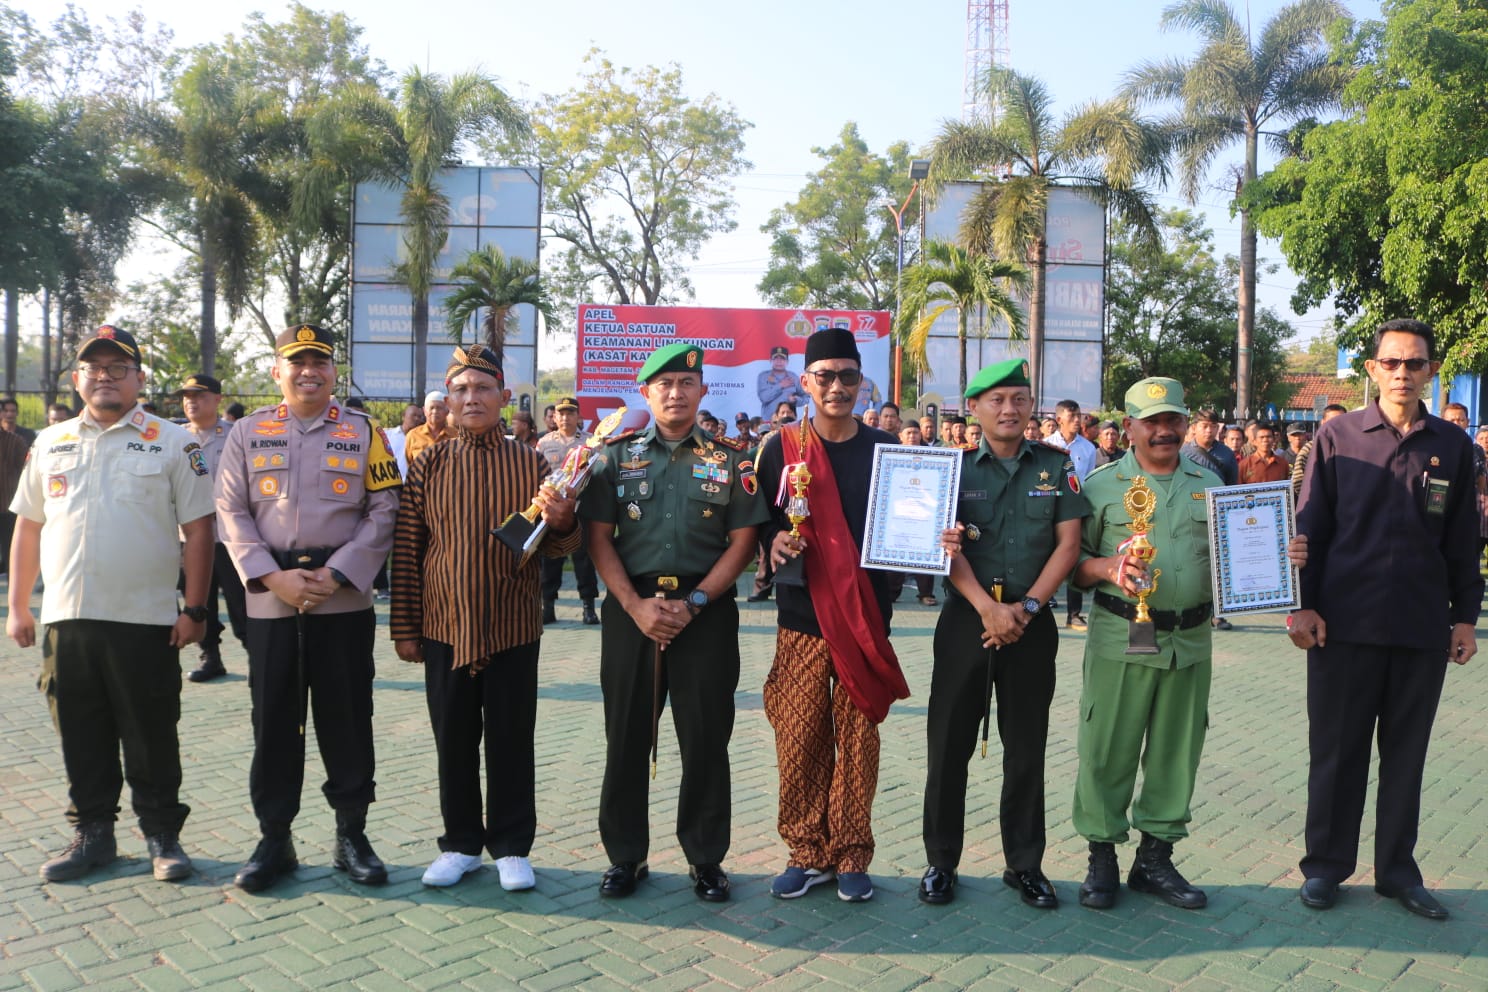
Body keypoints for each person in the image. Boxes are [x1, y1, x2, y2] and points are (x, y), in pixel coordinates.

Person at [1069, 377, 1305, 911]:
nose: (1164, 431)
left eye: (1173, 420)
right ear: (1128, 427)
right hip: (1123, 634)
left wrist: (1278, 556)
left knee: (1177, 751)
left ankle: (1155, 858)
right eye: (1151, 422)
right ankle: (1102, 854)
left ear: (1186, 423)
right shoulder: (1101, 487)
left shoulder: (1211, 483)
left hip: (1191, 638)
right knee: (1107, 747)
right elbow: (1073, 566)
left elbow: (1238, 554)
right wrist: (1107, 567)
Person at [7, 325, 215, 883]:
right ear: (77, 380)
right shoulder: (50, 442)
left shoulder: (174, 441)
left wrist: (195, 609)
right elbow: (29, 526)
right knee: (80, 734)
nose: (105, 377)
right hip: (67, 619)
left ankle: (162, 836)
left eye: (118, 368)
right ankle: (93, 835)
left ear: (139, 379)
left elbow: (199, 530)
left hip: (144, 621)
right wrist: (19, 606)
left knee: (151, 734)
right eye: (94, 368)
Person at [1289, 318, 1479, 921]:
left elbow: (1463, 541)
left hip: (1421, 629)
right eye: (1391, 362)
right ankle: (1325, 867)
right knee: (1337, 753)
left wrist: (1465, 618)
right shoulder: (1337, 437)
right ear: (1371, 369)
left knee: (1406, 757)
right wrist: (1302, 604)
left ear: (1431, 371)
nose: (1402, 373)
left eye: (1414, 363)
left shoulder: (1453, 447)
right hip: (1341, 627)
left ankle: (1397, 872)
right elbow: (1310, 529)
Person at [216, 323, 401, 893]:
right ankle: (275, 838)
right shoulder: (246, 432)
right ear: (278, 371)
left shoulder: (364, 431)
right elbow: (229, 509)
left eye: (319, 362)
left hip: (341, 598)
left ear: (333, 372)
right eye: (297, 362)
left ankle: (351, 834)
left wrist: (338, 572)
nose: (308, 372)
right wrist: (272, 576)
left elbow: (385, 508)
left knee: (348, 718)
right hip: (272, 598)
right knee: (274, 720)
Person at [580, 342, 765, 903]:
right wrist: (635, 606)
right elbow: (597, 539)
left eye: (687, 383)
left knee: (705, 737)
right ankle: (625, 856)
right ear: (646, 392)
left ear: (703, 390)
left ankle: (706, 858)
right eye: (664, 384)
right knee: (626, 735)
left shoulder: (732, 461)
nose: (676, 393)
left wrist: (696, 602)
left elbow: (743, 542)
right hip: (631, 611)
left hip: (704, 615)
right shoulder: (613, 457)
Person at [392, 345, 580, 891]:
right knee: (452, 738)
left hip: (511, 624)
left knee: (511, 737)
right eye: (460, 390)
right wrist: (405, 626)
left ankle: (512, 846)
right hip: (445, 623)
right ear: (448, 400)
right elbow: (408, 547)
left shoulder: (531, 462)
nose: (471, 398)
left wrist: (564, 520)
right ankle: (459, 844)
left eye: (482, 388)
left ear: (503, 397)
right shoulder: (428, 463)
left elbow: (554, 546)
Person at [919, 359, 1090, 909]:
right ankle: (941, 862)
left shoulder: (1056, 466)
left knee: (1026, 749)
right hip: (967, 620)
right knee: (948, 746)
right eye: (996, 400)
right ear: (974, 408)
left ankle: (1025, 864)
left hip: (1031, 626)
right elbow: (944, 549)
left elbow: (1068, 544)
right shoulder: (952, 470)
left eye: (1019, 398)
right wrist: (988, 610)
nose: (1009, 409)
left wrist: (1027, 608)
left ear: (1031, 405)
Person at [756, 327, 910, 903]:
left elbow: (911, 522)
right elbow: (759, 520)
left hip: (866, 616)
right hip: (800, 617)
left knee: (858, 738)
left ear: (861, 382)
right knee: (799, 737)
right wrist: (772, 541)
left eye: (848, 376)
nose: (837, 386)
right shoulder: (780, 449)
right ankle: (806, 851)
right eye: (826, 376)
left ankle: (850, 853)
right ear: (806, 381)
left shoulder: (887, 451)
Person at [177, 373, 248, 682]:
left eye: (200, 396)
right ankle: (210, 656)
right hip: (189, 538)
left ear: (218, 399)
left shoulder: (236, 435)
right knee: (198, 600)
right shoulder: (175, 438)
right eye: (187, 396)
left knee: (241, 602)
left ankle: (257, 655)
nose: (192, 402)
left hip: (230, 538)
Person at [537, 397, 601, 626]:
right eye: (561, 414)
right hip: (553, 509)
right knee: (550, 558)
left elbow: (599, 472)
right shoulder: (544, 443)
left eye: (570, 413)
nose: (565, 418)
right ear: (554, 417)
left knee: (584, 559)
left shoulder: (591, 442)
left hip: (581, 507)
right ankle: (548, 607)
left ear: (578, 416)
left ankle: (588, 607)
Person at [1044, 399, 1098, 631]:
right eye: (1072, 416)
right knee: (1045, 556)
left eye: (1079, 416)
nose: (1077, 420)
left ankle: (1074, 614)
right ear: (1059, 419)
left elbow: (1089, 481)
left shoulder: (1088, 448)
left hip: (1075, 510)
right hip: (1049, 507)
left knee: (1074, 556)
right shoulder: (1045, 445)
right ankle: (1040, 605)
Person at [887, 420, 939, 607]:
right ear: (900, 436)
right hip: (898, 511)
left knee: (923, 552)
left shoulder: (933, 457)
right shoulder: (891, 456)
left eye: (915, 432)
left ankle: (925, 593)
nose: (912, 436)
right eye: (908, 433)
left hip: (923, 512)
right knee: (895, 553)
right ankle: (891, 593)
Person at [1290, 405, 1346, 501]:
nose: (1336, 425)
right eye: (1332, 421)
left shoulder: (1352, 447)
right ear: (1323, 422)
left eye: (1340, 421)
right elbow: (1298, 481)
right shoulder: (1309, 449)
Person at [1180, 408, 1238, 486]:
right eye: (1204, 426)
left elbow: (1232, 484)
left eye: (1213, 426)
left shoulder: (1227, 454)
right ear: (1194, 428)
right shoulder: (1182, 453)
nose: (1209, 430)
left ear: (1217, 428)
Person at [404, 390, 456, 465]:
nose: (435, 411)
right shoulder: (413, 436)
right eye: (431, 408)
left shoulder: (456, 436)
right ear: (424, 411)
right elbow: (410, 464)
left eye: (439, 408)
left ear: (447, 411)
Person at [758, 345, 808, 419]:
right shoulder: (763, 376)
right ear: (770, 360)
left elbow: (806, 397)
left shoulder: (793, 377)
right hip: (770, 421)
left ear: (787, 362)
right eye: (776, 358)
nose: (779, 361)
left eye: (782, 358)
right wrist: (780, 385)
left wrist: (796, 399)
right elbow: (764, 397)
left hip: (789, 421)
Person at [385, 403, 425, 478]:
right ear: (404, 416)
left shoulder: (423, 440)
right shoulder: (388, 436)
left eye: (419, 416)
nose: (417, 419)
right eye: (414, 415)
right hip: (391, 482)